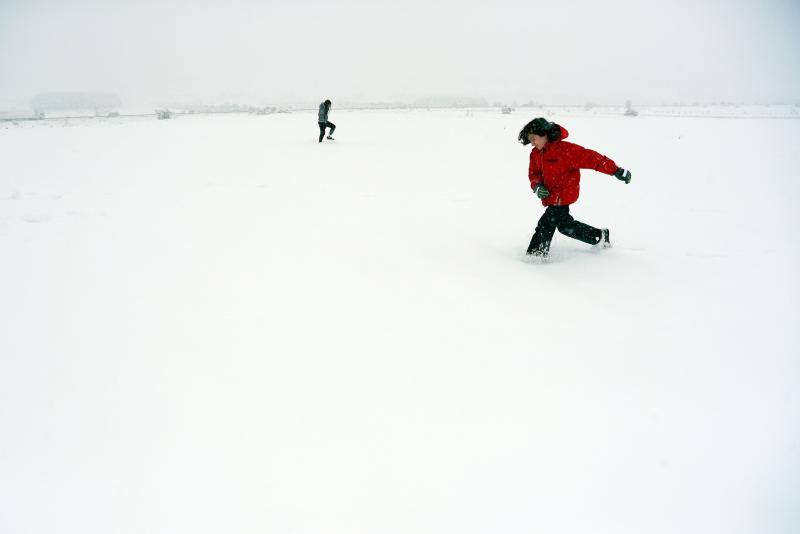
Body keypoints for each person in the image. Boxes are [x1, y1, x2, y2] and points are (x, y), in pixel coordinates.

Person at [518, 117, 632, 257]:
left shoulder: (565, 150)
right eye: (530, 140)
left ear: (544, 135)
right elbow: (533, 173)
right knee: (565, 226)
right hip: (551, 196)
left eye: (533, 138)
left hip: (563, 195)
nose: (532, 143)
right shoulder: (535, 154)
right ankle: (599, 236)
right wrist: (537, 186)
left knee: (547, 223)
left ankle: (536, 255)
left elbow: (592, 158)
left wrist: (616, 170)